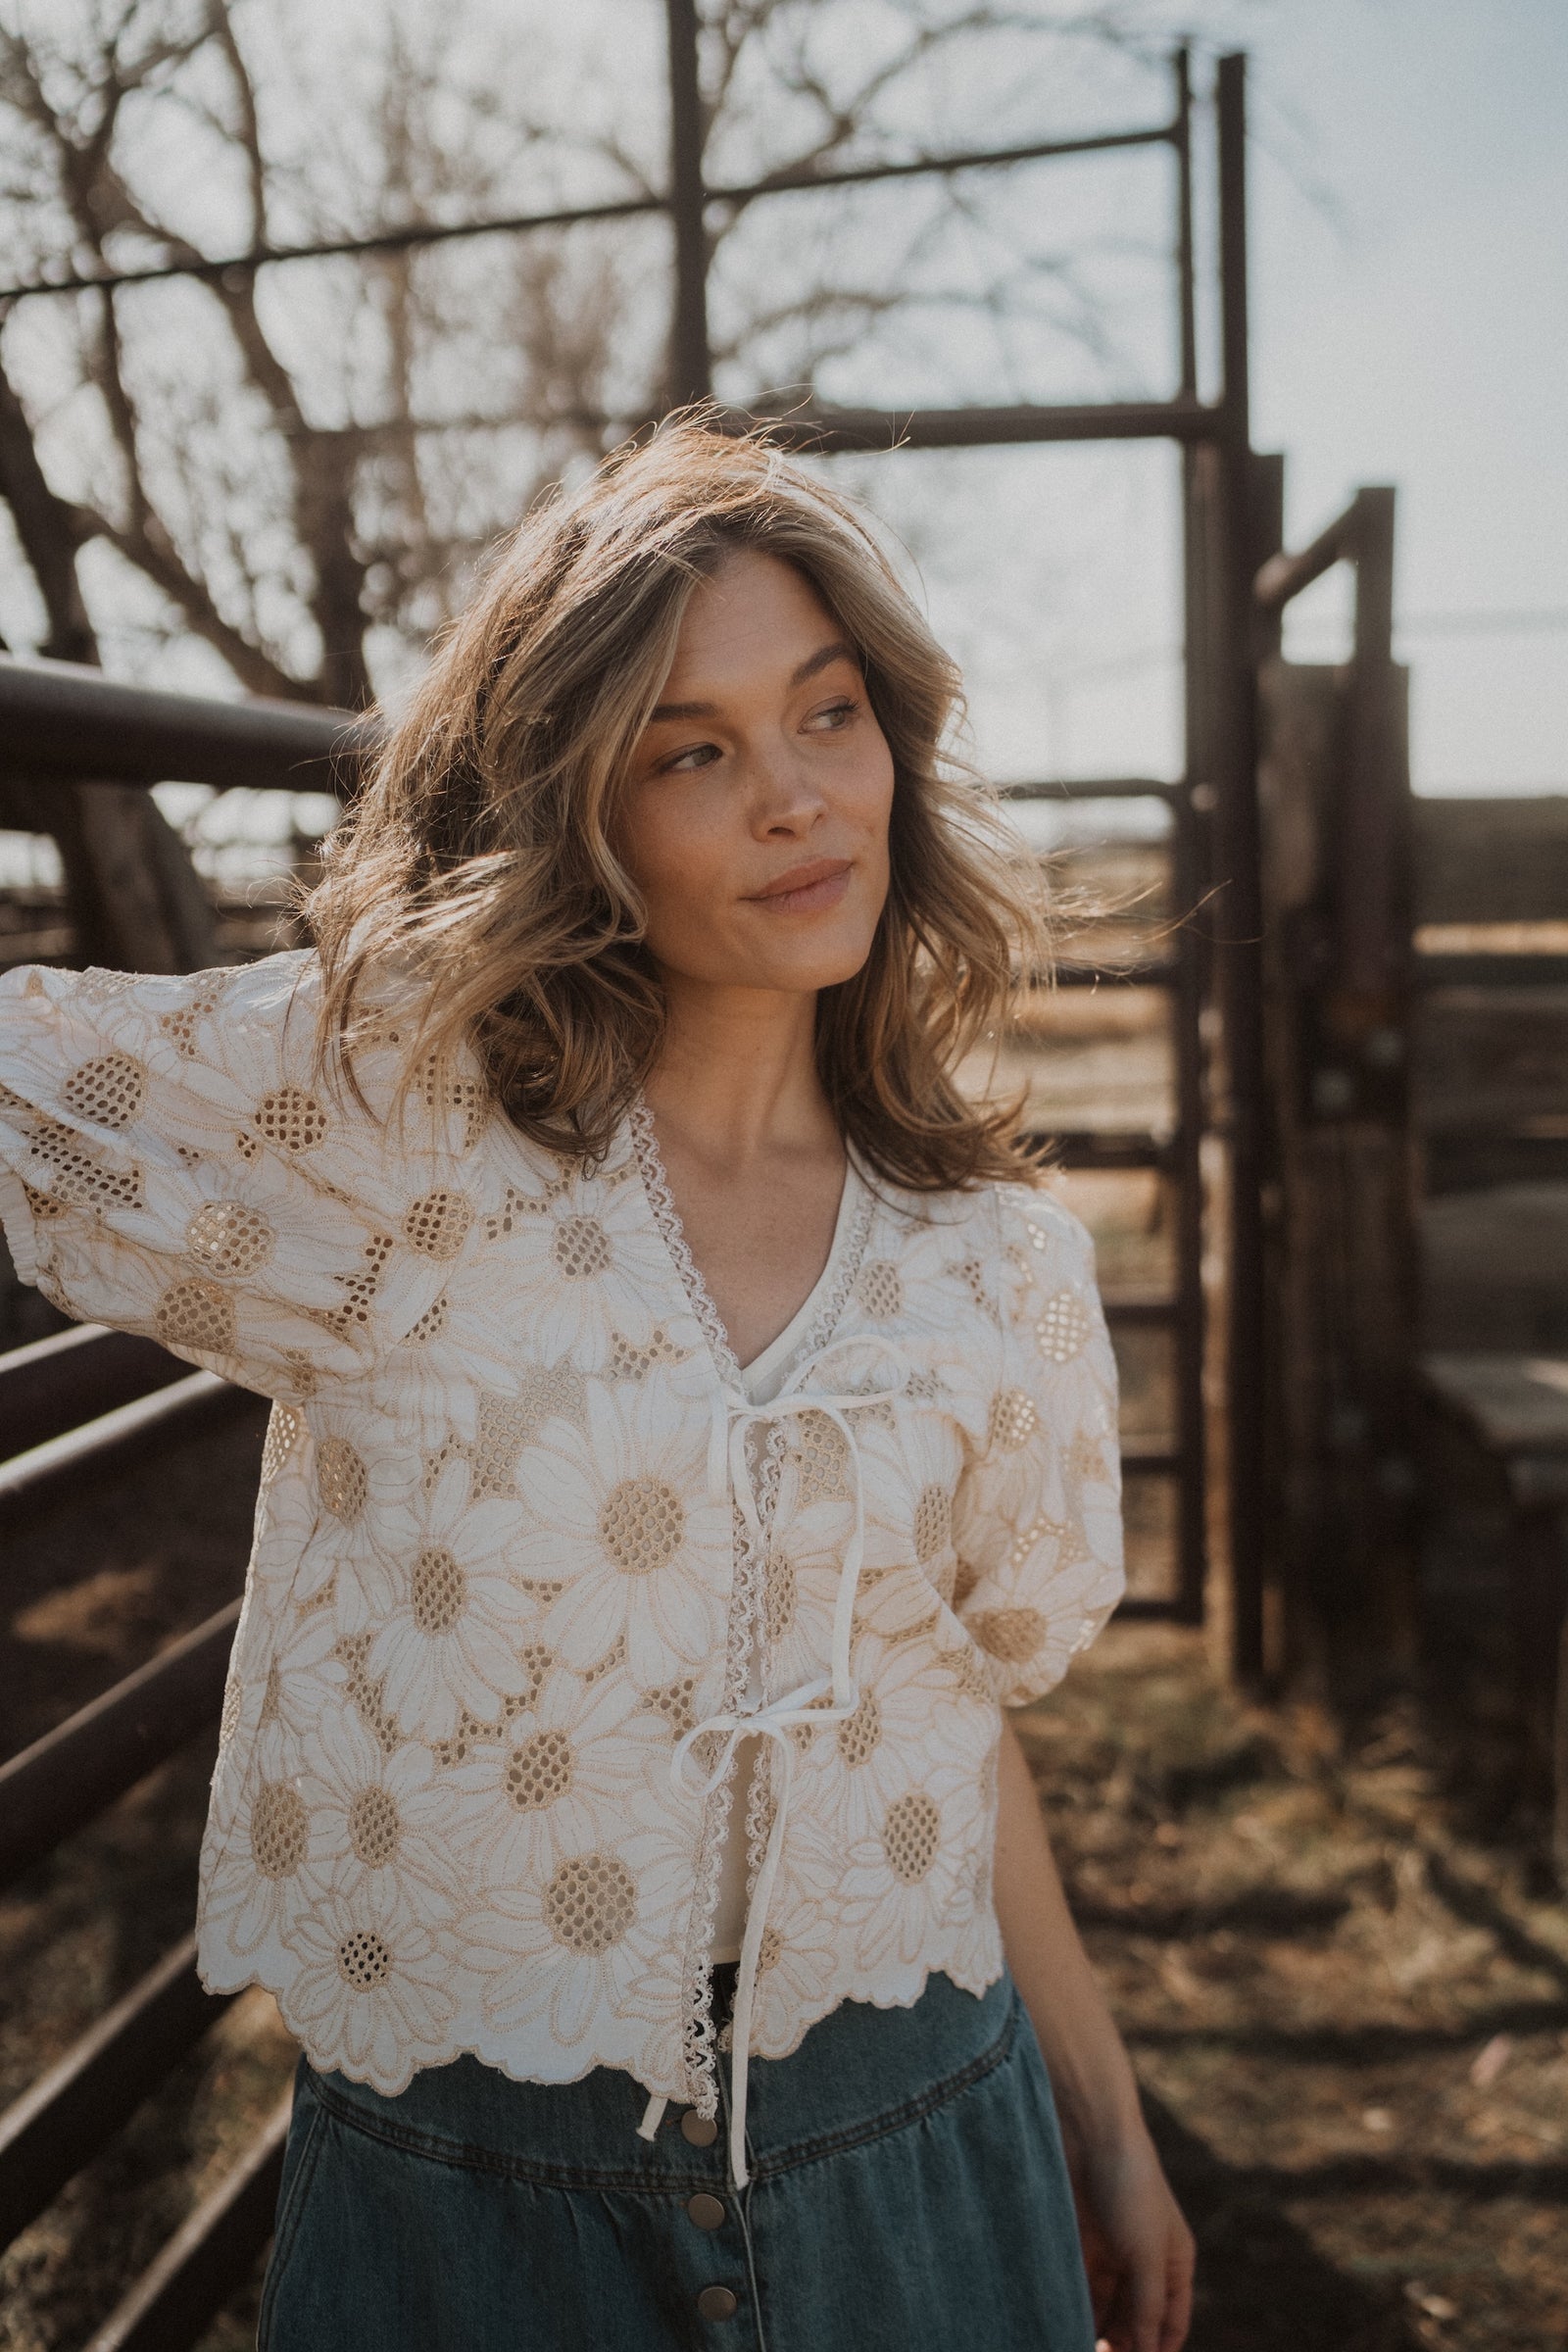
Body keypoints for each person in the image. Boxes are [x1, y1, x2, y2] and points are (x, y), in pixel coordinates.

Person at [0, 420, 1194, 2352]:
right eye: (693, 750)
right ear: (585, 811)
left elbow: (945, 1717)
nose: (797, 800)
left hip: (913, 2148)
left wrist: (1109, 2125)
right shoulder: (397, 1145)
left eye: (827, 716)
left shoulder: (995, 1269)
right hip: (475, 2210)